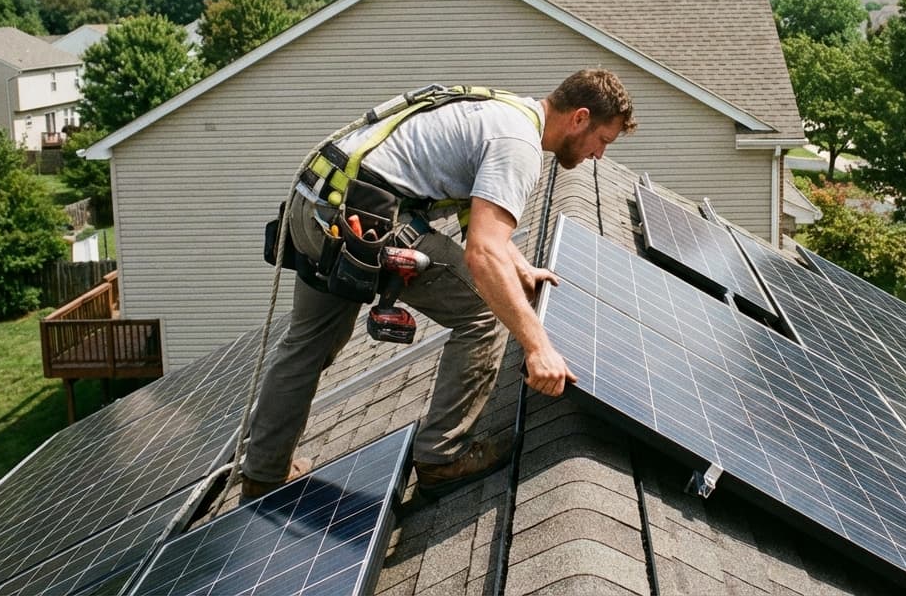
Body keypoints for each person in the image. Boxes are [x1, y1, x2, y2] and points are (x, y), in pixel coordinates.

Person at [241, 69, 636, 500]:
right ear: (579, 118)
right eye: (603, 140)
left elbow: (480, 217)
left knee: (307, 343)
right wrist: (538, 346)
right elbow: (482, 255)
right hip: (361, 220)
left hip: (317, 203)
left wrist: (519, 265)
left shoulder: (503, 110)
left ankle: (264, 471)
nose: (599, 154)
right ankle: (442, 457)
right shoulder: (518, 146)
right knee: (486, 310)